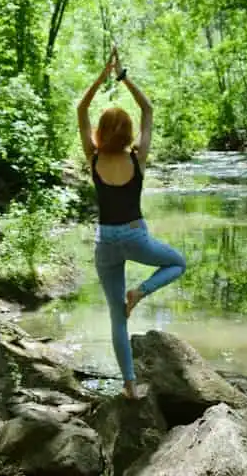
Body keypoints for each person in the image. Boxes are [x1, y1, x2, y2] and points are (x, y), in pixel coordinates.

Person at [76, 45, 187, 399]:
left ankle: (129, 386)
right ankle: (140, 292)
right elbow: (148, 109)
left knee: (117, 317)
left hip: (105, 243)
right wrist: (122, 77)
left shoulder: (93, 158)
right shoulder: (138, 159)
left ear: (100, 132)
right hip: (136, 237)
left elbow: (81, 109)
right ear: (127, 133)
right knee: (178, 263)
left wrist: (102, 76)